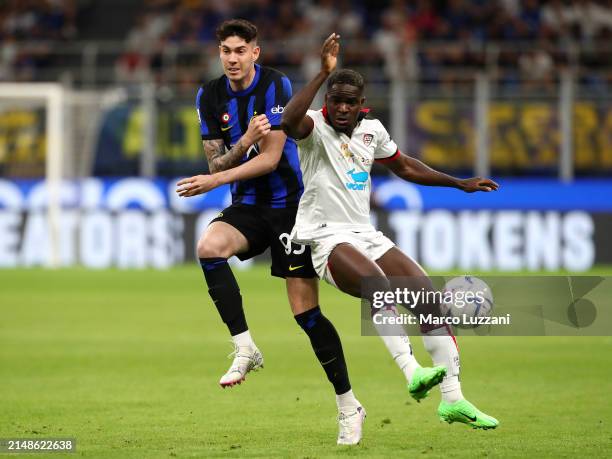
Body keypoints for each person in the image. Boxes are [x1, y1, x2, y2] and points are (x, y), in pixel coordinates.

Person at [281, 33, 500, 430]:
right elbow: (287, 121)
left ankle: (453, 400)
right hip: (323, 238)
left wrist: (458, 182)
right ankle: (412, 370)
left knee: (429, 299)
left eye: (351, 102)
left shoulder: (372, 131)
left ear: (361, 104)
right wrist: (321, 74)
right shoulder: (312, 127)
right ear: (326, 101)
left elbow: (406, 166)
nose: (343, 108)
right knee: (378, 287)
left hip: (364, 234)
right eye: (336, 100)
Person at [175, 19, 365, 445]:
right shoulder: (209, 95)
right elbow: (218, 163)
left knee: (305, 314)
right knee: (209, 247)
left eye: (241, 50)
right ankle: (245, 347)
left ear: (255, 53)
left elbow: (272, 157)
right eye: (226, 50)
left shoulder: (276, 87)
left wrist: (219, 177)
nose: (232, 58)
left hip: (292, 210)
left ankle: (348, 405)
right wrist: (242, 141)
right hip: (248, 207)